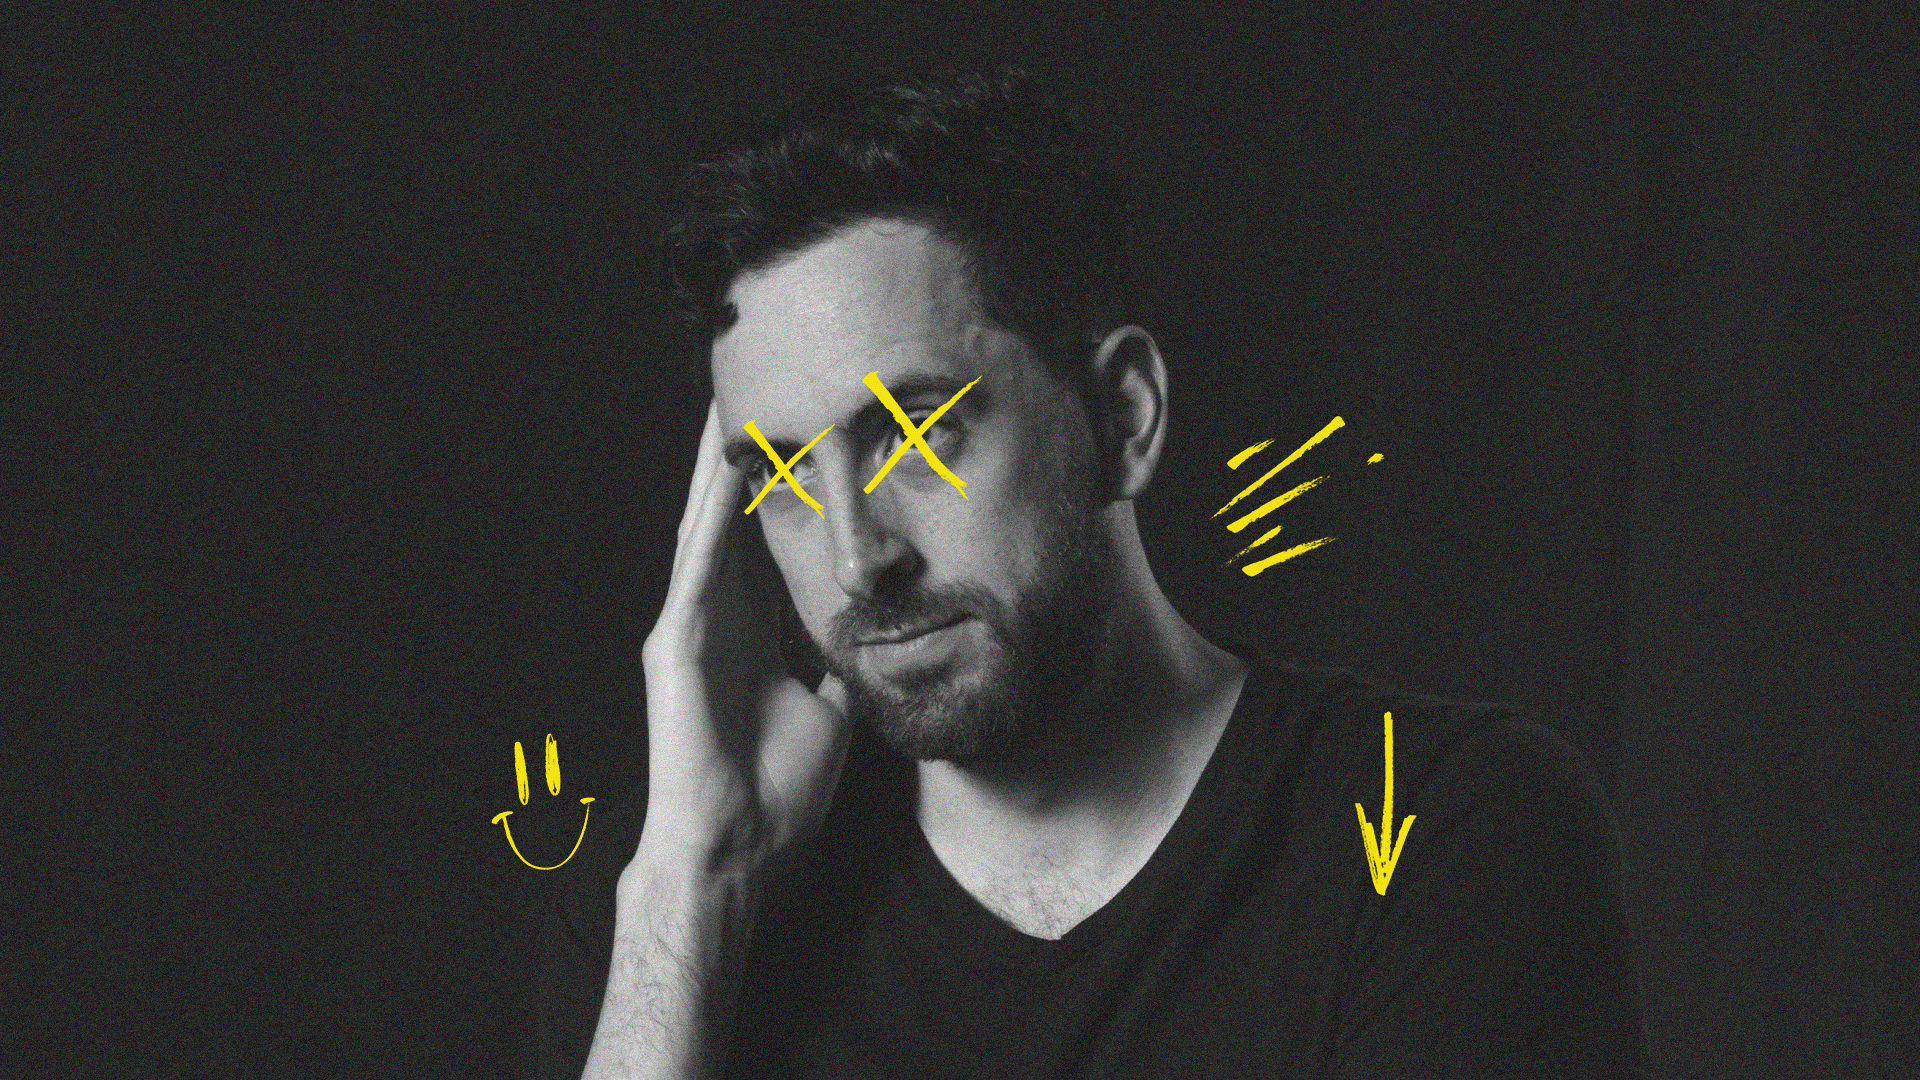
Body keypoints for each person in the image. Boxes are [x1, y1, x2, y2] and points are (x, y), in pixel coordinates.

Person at [539, 67, 1645, 1079]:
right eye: (781, 473)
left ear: (1123, 417)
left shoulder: (1444, 828)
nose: (856, 557)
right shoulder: (680, 917)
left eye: (920, 435)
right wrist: (691, 884)